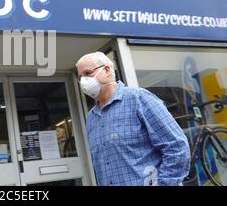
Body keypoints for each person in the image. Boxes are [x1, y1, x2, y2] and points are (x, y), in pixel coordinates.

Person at [76, 52, 190, 186]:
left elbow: (177, 147)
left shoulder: (139, 99)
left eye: (88, 73)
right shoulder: (91, 117)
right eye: (80, 77)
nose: (84, 81)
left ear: (107, 70)